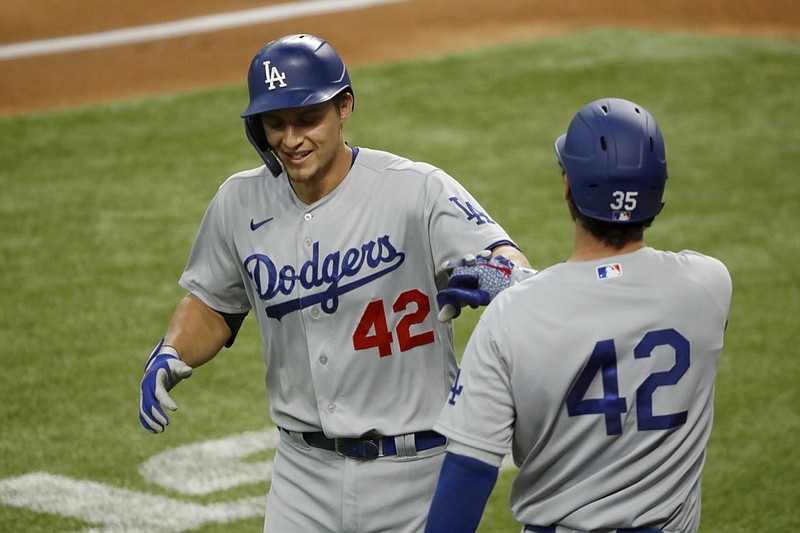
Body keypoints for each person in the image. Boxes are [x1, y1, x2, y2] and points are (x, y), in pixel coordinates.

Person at [137, 34, 531, 532]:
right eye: (275, 123)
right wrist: (173, 350)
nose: (291, 138)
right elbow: (215, 302)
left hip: (415, 472)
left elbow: (510, 264)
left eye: (307, 120)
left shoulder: (415, 189)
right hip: (302, 475)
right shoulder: (238, 203)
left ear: (344, 106)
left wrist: (503, 274)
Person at [425, 98, 732, 533]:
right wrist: (524, 284)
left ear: (568, 186)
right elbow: (618, 292)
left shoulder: (512, 319)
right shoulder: (710, 286)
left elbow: (468, 473)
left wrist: (522, 284)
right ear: (657, 189)